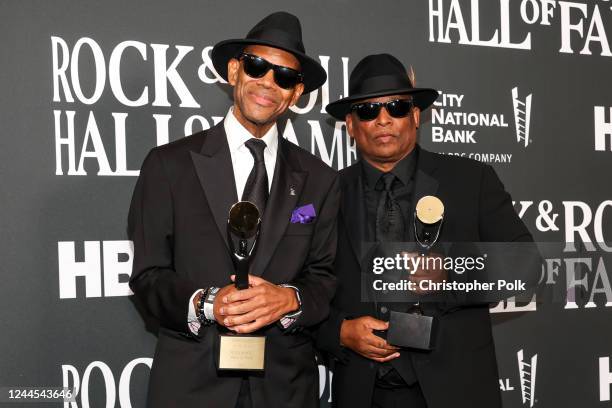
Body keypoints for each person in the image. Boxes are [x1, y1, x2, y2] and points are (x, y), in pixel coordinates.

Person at [128, 12, 339, 408]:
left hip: (286, 389)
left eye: (285, 77)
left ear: (296, 94)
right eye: (257, 66)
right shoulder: (169, 165)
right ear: (234, 71)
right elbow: (148, 275)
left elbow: (324, 277)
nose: (268, 83)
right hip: (191, 387)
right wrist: (207, 303)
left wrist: (289, 300)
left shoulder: (320, 179)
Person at [316, 53, 534, 408]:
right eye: (369, 111)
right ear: (351, 125)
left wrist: (451, 273)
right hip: (362, 392)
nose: (384, 119)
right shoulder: (326, 193)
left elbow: (528, 267)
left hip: (456, 388)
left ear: (416, 116)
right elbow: (302, 289)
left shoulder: (471, 180)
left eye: (397, 107)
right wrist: (338, 332)